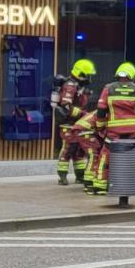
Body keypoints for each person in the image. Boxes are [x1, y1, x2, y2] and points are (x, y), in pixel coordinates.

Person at [92, 62, 135, 195]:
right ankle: (129, 185)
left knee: (105, 156)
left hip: (113, 132)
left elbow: (101, 111)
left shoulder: (108, 88)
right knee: (130, 157)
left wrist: (100, 128)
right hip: (132, 132)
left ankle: (100, 185)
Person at [52, 58, 95, 186]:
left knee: (79, 150)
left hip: (78, 124)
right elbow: (66, 106)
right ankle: (62, 176)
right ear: (80, 74)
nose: (89, 78)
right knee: (68, 149)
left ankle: (80, 176)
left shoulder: (79, 86)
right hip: (68, 123)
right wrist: (84, 114)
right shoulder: (70, 86)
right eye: (87, 75)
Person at [72, 110, 102, 195]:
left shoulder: (100, 110)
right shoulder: (107, 111)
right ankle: (89, 183)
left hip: (81, 130)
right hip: (85, 131)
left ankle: (88, 182)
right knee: (94, 155)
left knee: (92, 155)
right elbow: (102, 128)